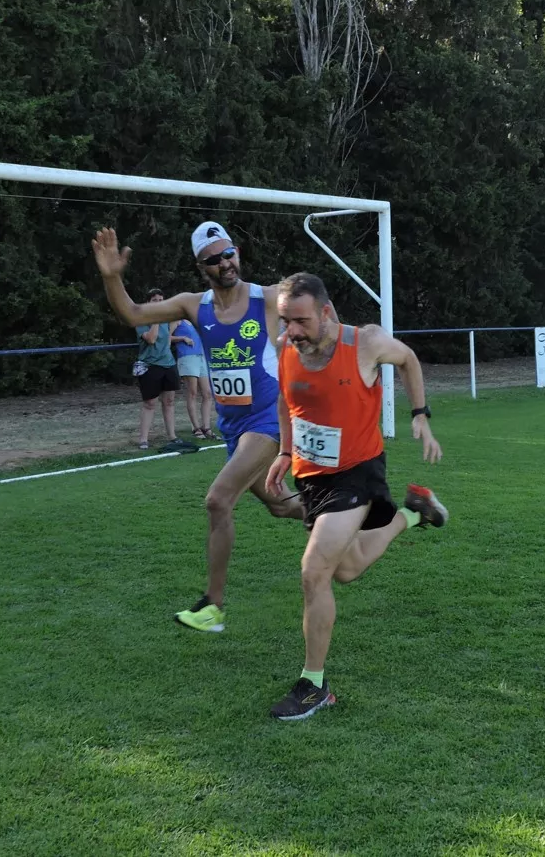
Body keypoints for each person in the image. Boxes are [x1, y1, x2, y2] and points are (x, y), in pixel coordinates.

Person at [93, 222, 304, 632]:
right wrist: (111, 277)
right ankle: (350, 514)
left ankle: (213, 606)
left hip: (270, 421)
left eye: (229, 253)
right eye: (214, 258)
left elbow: (318, 312)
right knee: (281, 506)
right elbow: (131, 313)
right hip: (233, 426)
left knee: (218, 500)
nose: (225, 262)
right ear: (200, 265)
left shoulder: (268, 297)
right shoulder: (194, 305)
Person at [263, 272, 448, 721]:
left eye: (302, 321)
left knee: (313, 572)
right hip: (314, 476)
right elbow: (289, 404)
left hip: (358, 473)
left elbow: (408, 359)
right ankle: (414, 513)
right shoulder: (288, 347)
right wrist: (286, 451)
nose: (292, 331)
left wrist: (420, 415)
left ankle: (314, 685)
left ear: (326, 312)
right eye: (286, 320)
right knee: (345, 569)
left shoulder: (364, 343)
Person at [133, 288, 190, 452]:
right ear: (148, 303)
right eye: (155, 300)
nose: (158, 303)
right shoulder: (141, 320)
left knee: (169, 401)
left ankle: (172, 435)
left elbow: (167, 338)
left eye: (161, 300)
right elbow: (151, 339)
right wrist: (156, 319)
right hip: (150, 365)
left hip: (168, 364)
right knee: (150, 403)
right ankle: (143, 439)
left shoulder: (167, 319)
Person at [171, 312, 216, 440]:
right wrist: (182, 338)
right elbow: (166, 337)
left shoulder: (193, 323)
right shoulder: (177, 320)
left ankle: (206, 427)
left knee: (207, 393)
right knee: (192, 392)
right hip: (187, 357)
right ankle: (196, 427)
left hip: (201, 358)